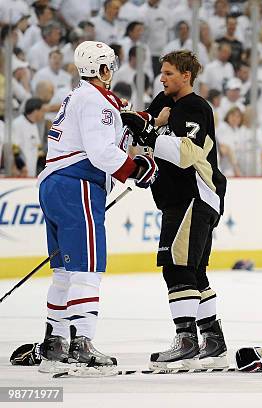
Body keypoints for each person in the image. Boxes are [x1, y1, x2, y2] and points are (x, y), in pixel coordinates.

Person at [37, 41, 158, 374]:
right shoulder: (97, 103)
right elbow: (102, 153)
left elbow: (112, 121)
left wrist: (138, 119)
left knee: (64, 272)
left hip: (53, 185)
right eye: (110, 66)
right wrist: (137, 169)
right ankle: (82, 346)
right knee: (87, 270)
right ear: (103, 69)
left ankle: (55, 345)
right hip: (78, 185)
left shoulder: (80, 96)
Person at [122, 50, 228, 369]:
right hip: (184, 198)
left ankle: (186, 339)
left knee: (176, 267)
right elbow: (146, 134)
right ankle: (212, 337)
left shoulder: (194, 106)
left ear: (186, 76)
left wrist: (151, 130)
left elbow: (186, 153)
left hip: (193, 196)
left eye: (169, 73)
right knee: (194, 271)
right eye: (162, 72)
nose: (162, 78)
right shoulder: (162, 101)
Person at [12, 98, 45, 177]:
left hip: (32, 173)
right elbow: (14, 148)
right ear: (36, 111)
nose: (43, 114)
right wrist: (21, 166)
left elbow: (38, 148)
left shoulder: (34, 125)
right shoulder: (17, 123)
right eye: (42, 111)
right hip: (21, 173)